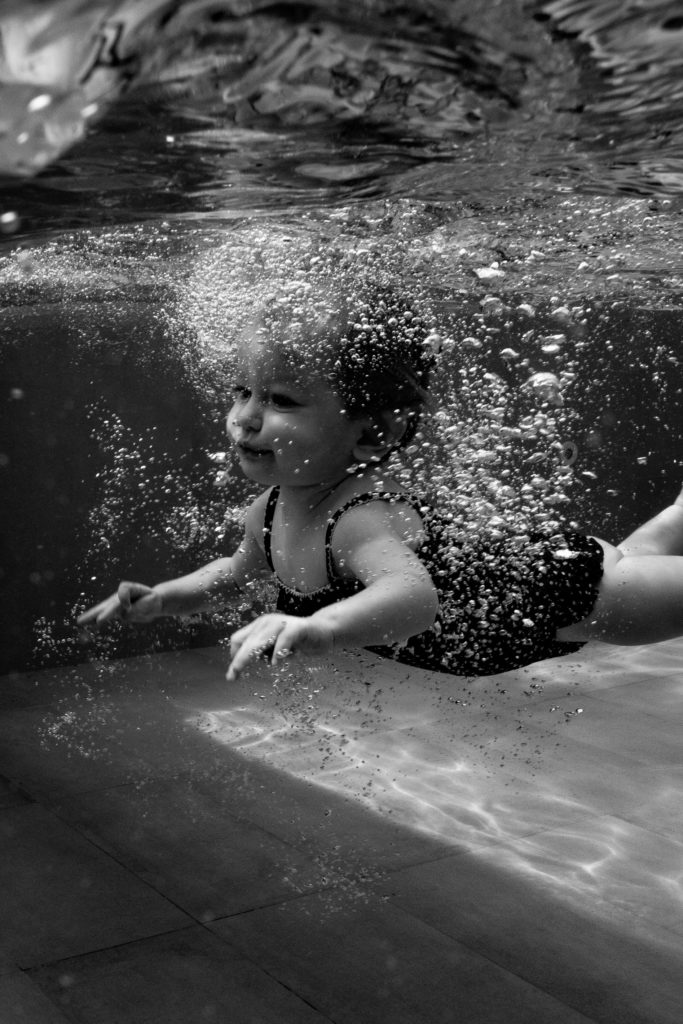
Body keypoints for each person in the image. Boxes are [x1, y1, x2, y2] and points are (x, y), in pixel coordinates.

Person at [77, 272, 683, 682]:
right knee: (638, 553)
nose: (245, 418)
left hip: (583, 596)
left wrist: (318, 628)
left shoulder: (357, 521)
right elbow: (234, 572)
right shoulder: (267, 510)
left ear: (370, 433)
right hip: (545, 597)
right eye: (243, 391)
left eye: (282, 399)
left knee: (631, 574)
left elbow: (413, 602)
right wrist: (163, 600)